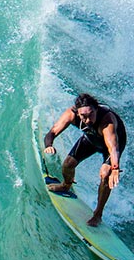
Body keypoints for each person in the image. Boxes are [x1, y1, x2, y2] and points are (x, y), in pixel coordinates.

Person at [43, 93, 126, 227]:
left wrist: (115, 167)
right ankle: (66, 185)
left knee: (105, 174)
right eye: (83, 116)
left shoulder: (107, 121)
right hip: (92, 139)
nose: (87, 120)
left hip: (112, 147)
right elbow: (52, 132)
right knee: (67, 165)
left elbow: (113, 147)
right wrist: (49, 145)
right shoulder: (71, 114)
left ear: (96, 109)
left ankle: (98, 214)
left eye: (90, 114)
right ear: (77, 112)